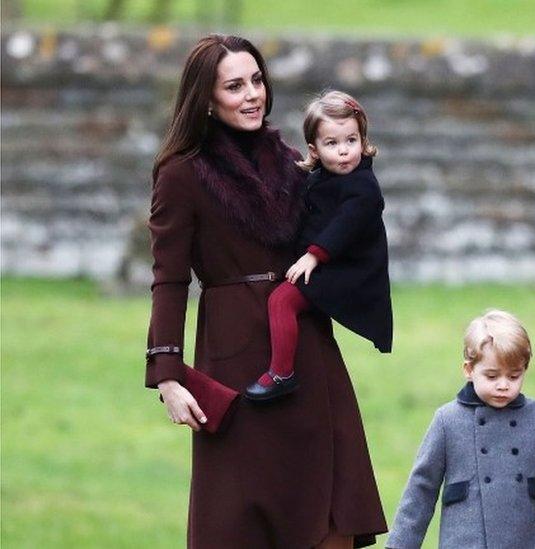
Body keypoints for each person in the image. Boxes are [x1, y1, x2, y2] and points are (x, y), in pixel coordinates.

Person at [146, 34, 386, 548]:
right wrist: (167, 374)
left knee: (330, 518)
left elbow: (351, 216)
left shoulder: (294, 160)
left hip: (306, 349)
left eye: (257, 80)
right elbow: (168, 278)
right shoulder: (180, 174)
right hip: (234, 360)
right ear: (206, 99)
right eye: (235, 86)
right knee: (240, 518)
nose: (252, 94)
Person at [386, 310, 535, 549]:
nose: (503, 385)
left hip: (530, 541)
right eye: (492, 376)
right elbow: (421, 489)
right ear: (469, 370)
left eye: (514, 376)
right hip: (468, 543)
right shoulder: (447, 421)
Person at [245, 90, 393, 401]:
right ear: (314, 149)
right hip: (329, 264)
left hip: (348, 272)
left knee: (282, 301)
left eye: (351, 141)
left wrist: (313, 256)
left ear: (363, 141)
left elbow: (344, 225)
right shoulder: (319, 178)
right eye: (332, 143)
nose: (343, 151)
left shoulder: (363, 187)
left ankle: (281, 373)